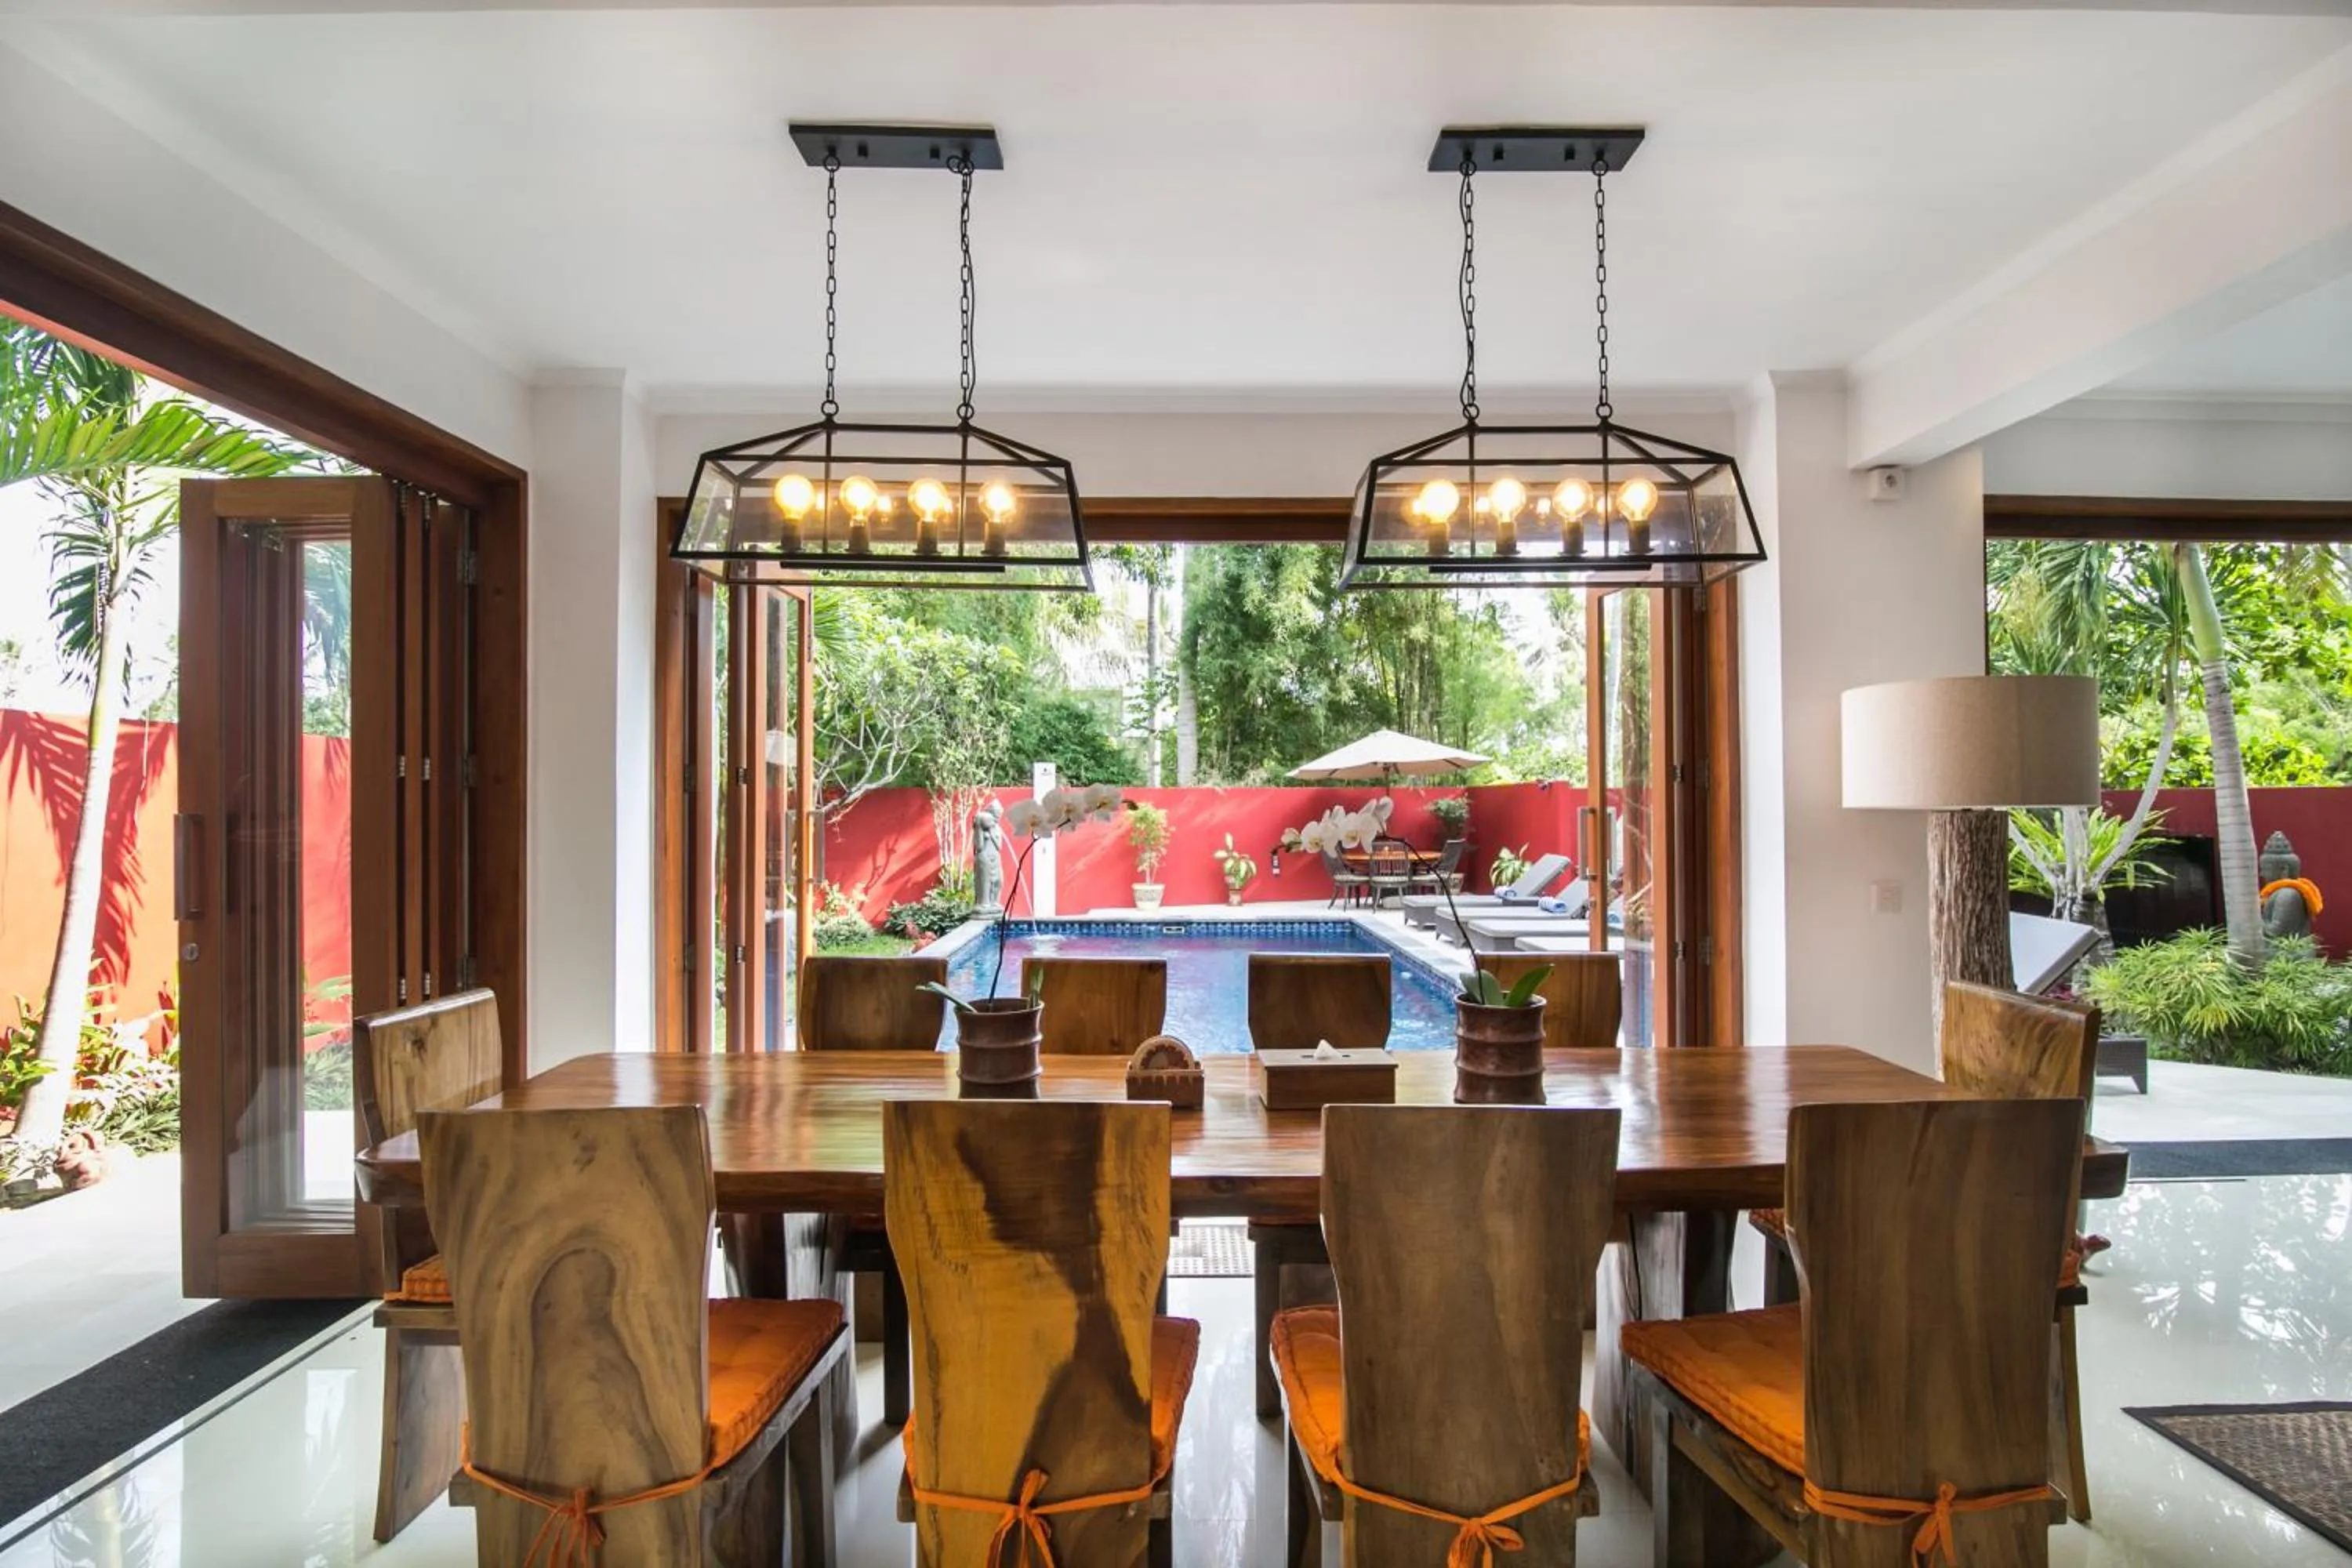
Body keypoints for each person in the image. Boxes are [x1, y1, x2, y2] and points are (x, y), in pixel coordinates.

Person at [972, 800, 1008, 913]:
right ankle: (984, 904)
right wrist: (978, 827)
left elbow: (999, 846)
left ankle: (994, 902)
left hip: (995, 857)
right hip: (984, 857)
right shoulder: (981, 829)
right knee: (985, 880)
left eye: (999, 815)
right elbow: (979, 846)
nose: (998, 818)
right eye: (996, 815)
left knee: (999, 880)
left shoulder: (997, 828)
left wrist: (992, 834)